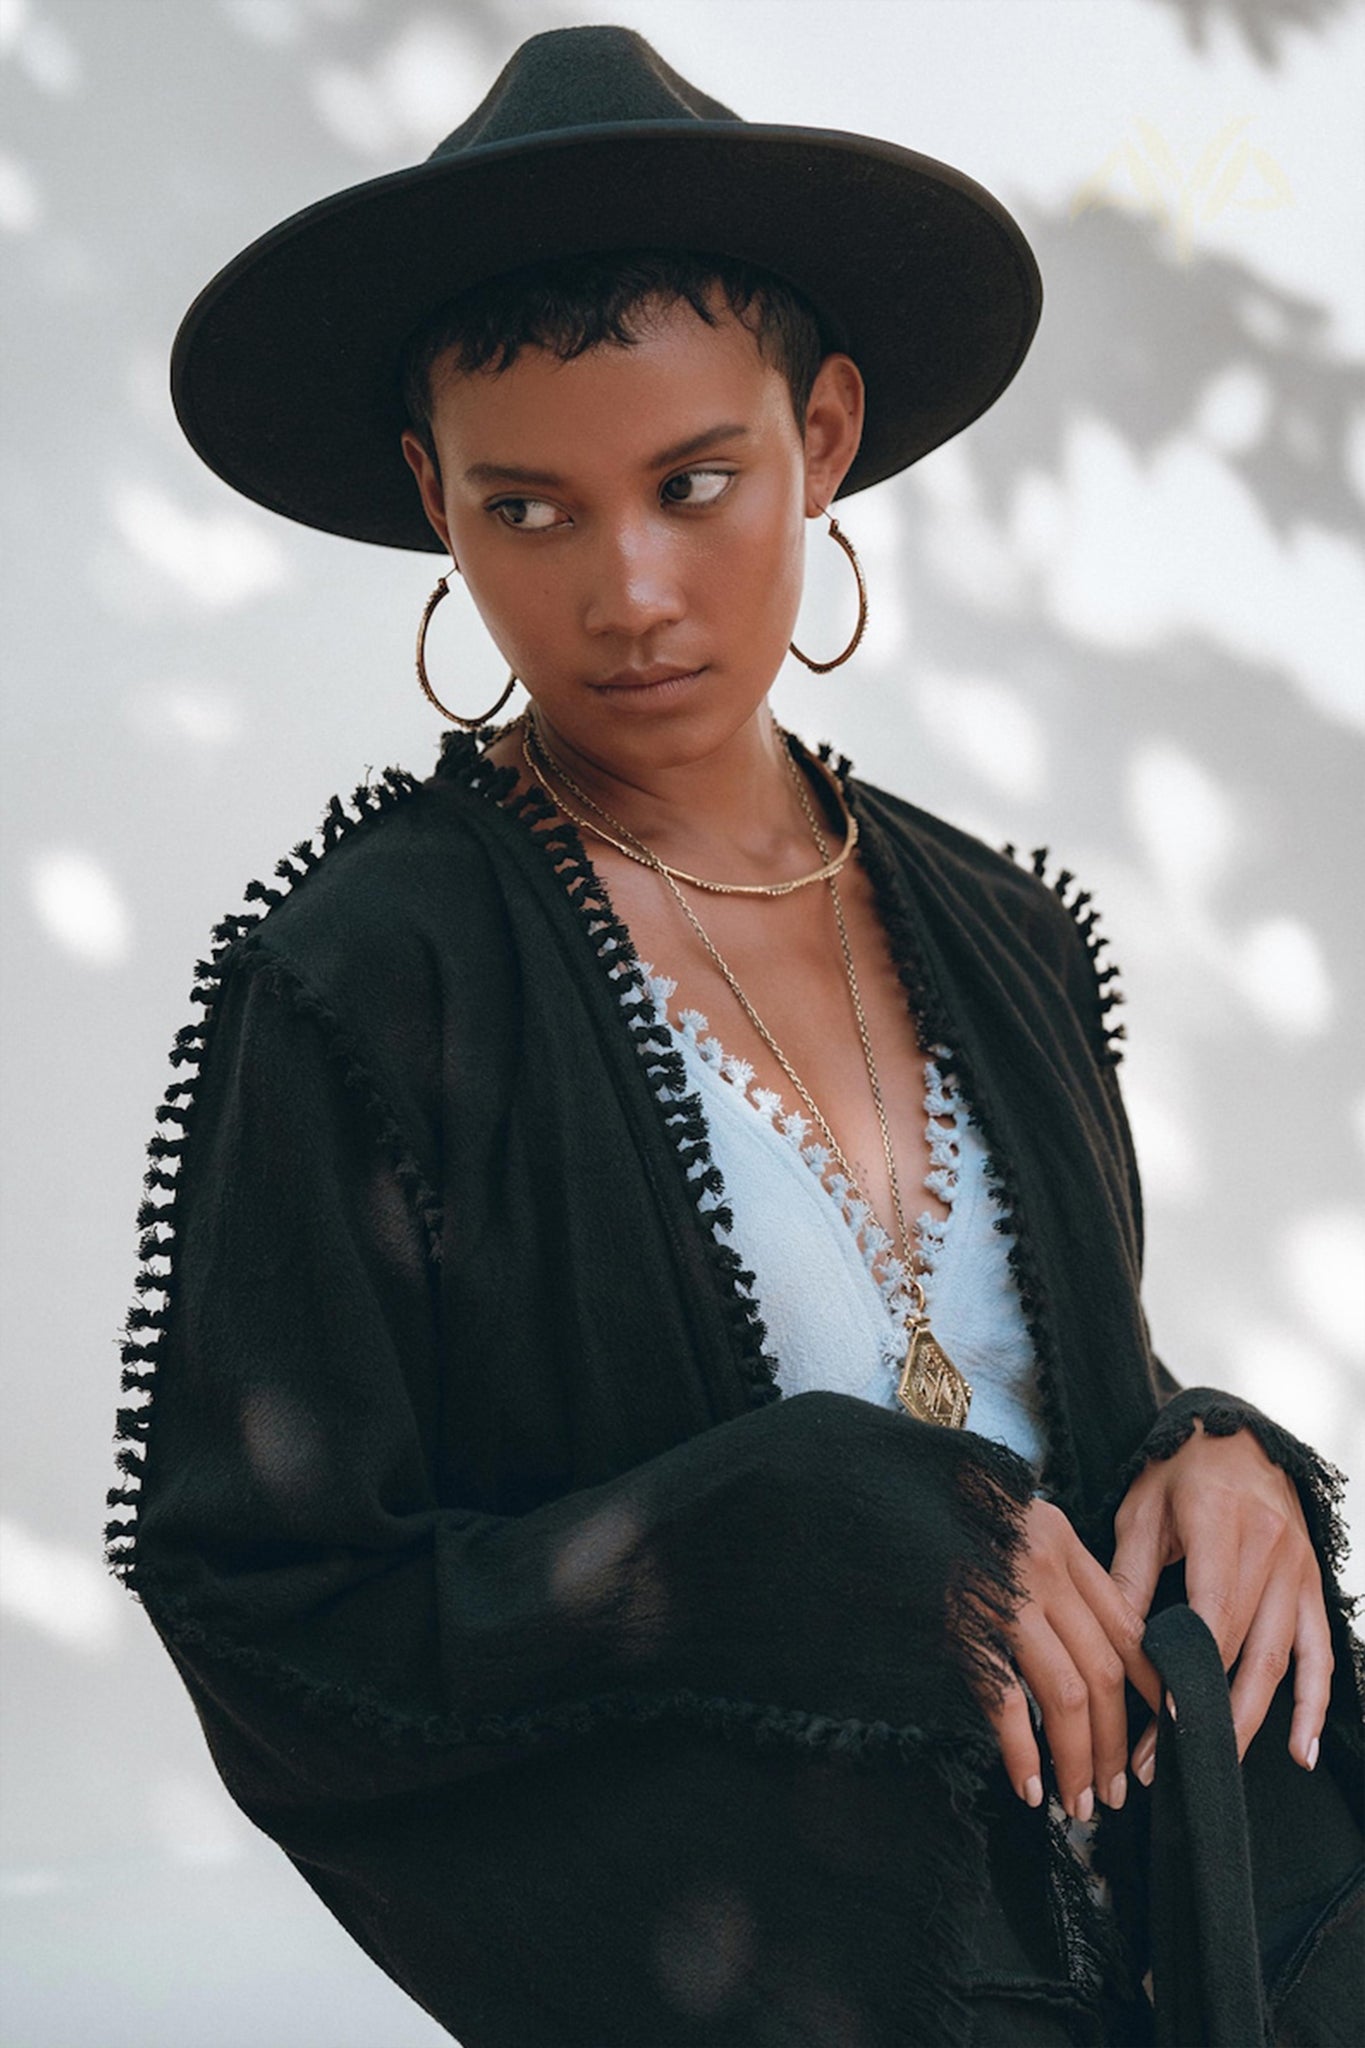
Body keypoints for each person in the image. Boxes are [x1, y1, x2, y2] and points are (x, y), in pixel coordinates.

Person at [105, 26, 1361, 2047]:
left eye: (696, 483)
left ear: (826, 434)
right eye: (526, 510)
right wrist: (774, 1534)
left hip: (1164, 1967)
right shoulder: (367, 979)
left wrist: (1218, 1455)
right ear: (429, 496)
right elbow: (278, 1609)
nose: (628, 592)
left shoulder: (1004, 934)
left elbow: (1037, 1417)